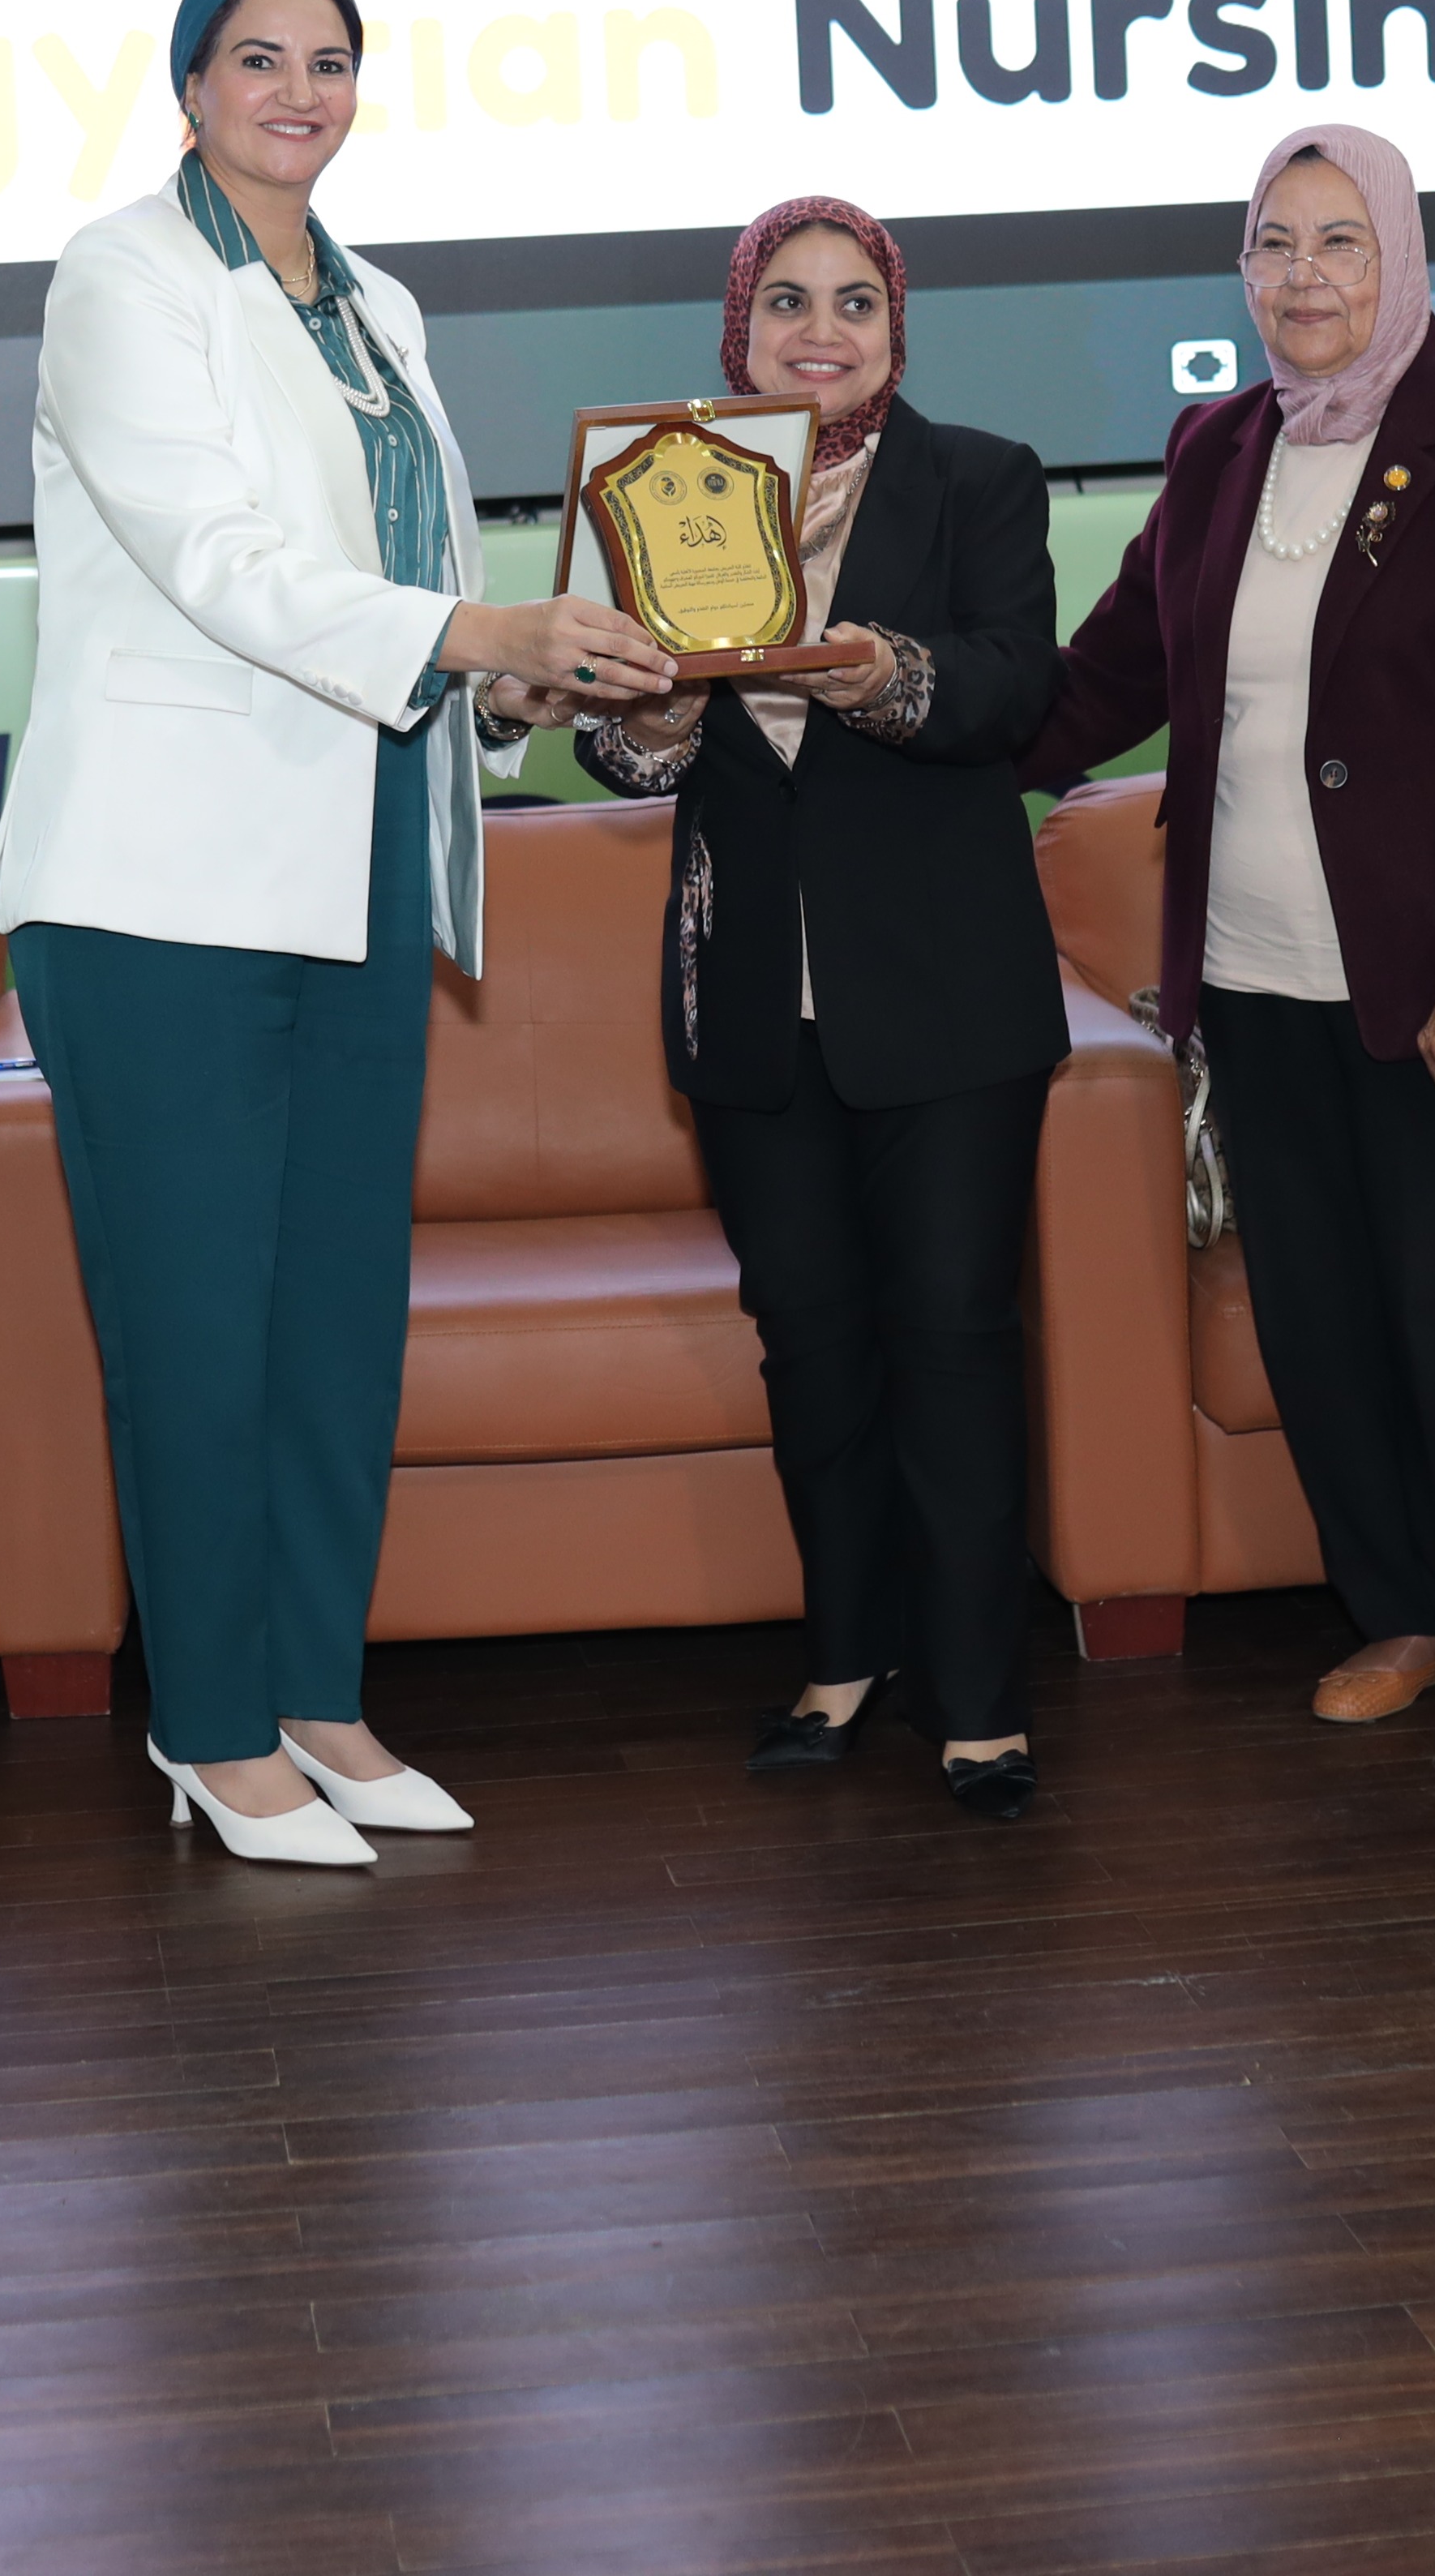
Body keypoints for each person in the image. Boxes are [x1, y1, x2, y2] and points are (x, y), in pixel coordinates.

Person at [0, 0, 671, 1869]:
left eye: (332, 60)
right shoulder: (123, 274)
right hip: (162, 887)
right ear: (191, 86)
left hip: (364, 855)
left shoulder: (376, 303)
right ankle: (210, 1724)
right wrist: (476, 630)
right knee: (199, 1327)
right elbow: (215, 556)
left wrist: (517, 683)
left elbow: (402, 578)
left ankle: (314, 1689)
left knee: (333, 1319)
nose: (300, 89)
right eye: (259, 58)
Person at [1023, 124, 1435, 1742]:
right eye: (1274, 244)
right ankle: (1401, 1612)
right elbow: (1103, 678)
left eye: (1339, 241)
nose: (1303, 277)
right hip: (1250, 977)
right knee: (1319, 1322)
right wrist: (905, 701)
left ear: (1401, 256)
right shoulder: (1218, 446)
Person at [578, 199, 1068, 1820]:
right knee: (811, 1345)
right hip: (748, 1006)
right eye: (786, 301)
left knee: (953, 1339)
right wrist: (652, 708)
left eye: (856, 302)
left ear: (895, 327)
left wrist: (879, 672)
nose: (820, 330)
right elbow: (610, 748)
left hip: (948, 1001)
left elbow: (1014, 689)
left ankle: (979, 1697)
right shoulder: (659, 485)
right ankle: (846, 1657)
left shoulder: (981, 476)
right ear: (740, 328)